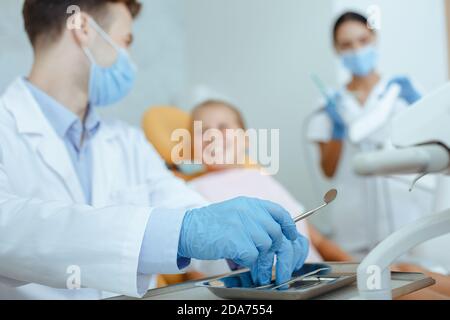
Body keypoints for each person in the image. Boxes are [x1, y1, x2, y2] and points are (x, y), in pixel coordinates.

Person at [0, 0, 308, 299]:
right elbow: (9, 228)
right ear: (82, 28)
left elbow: (186, 212)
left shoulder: (128, 143)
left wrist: (245, 246)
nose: (128, 60)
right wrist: (182, 232)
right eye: (126, 40)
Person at [307, 11, 435, 259]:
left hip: (406, 213)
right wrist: (337, 129)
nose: (356, 49)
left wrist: (420, 106)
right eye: (347, 44)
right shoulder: (328, 103)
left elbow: (434, 147)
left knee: (419, 285)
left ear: (374, 38)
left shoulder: (404, 89)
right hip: (354, 224)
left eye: (362, 40)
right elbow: (328, 170)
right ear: (336, 49)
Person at [185, 100, 352, 277]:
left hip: (315, 278)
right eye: (202, 131)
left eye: (223, 127)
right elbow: (192, 269)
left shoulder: (262, 179)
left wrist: (359, 268)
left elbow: (317, 239)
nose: (213, 136)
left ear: (246, 139)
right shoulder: (189, 192)